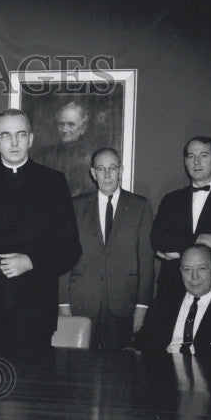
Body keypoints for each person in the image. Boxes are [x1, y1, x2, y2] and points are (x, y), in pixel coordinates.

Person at [0, 108, 81, 349]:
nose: (14, 142)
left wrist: (31, 262)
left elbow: (71, 248)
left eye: (20, 134)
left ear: (30, 139)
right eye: (6, 136)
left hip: (35, 311)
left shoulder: (53, 182)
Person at [59, 148, 154, 349]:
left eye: (112, 168)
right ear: (93, 173)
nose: (108, 174)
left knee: (119, 370)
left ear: (121, 170)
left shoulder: (140, 206)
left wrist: (142, 306)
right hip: (81, 302)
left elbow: (146, 260)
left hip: (124, 303)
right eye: (101, 169)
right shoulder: (75, 206)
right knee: (79, 370)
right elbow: (64, 258)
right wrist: (63, 304)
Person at [150, 135, 211, 300]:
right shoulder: (170, 199)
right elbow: (158, 239)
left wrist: (177, 252)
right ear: (185, 162)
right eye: (191, 156)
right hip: (172, 286)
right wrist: (202, 238)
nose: (196, 162)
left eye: (204, 155)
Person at [132, 244, 211, 361]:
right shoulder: (166, 300)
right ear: (181, 272)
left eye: (201, 268)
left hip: (209, 375)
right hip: (162, 371)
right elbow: (142, 342)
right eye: (187, 269)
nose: (194, 276)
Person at [35, 102, 101, 197]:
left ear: (83, 127)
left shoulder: (92, 158)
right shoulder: (44, 155)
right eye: (61, 124)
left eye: (71, 124)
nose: (64, 130)